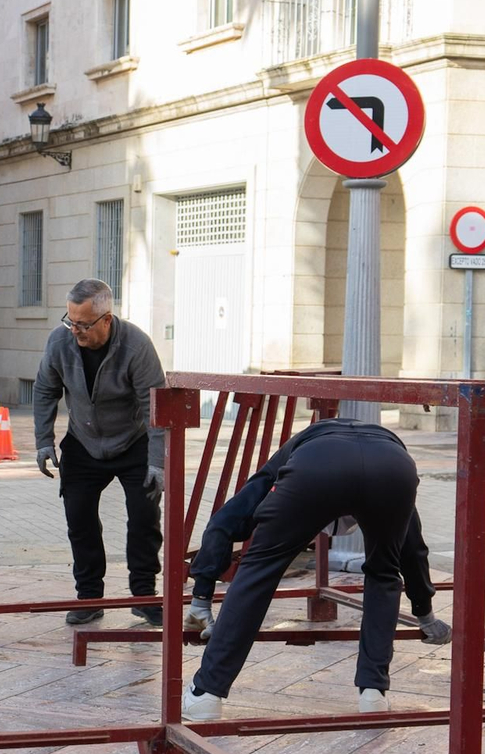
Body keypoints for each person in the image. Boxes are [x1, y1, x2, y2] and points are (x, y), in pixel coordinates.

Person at [182, 418, 429, 720]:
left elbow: (226, 520)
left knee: (258, 569)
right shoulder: (385, 458)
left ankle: (206, 694)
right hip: (393, 468)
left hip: (316, 468)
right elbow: (413, 549)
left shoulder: (293, 453)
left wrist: (201, 597)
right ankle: (373, 694)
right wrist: (424, 612)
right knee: (384, 570)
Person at [33, 279, 166, 627]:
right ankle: (90, 596)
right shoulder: (59, 341)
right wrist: (43, 439)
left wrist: (157, 461)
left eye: (84, 324)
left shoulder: (137, 346)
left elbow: (155, 407)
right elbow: (45, 389)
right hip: (83, 440)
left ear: (107, 319)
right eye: (71, 321)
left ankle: (144, 595)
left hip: (132, 440)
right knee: (79, 517)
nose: (75, 330)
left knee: (143, 515)